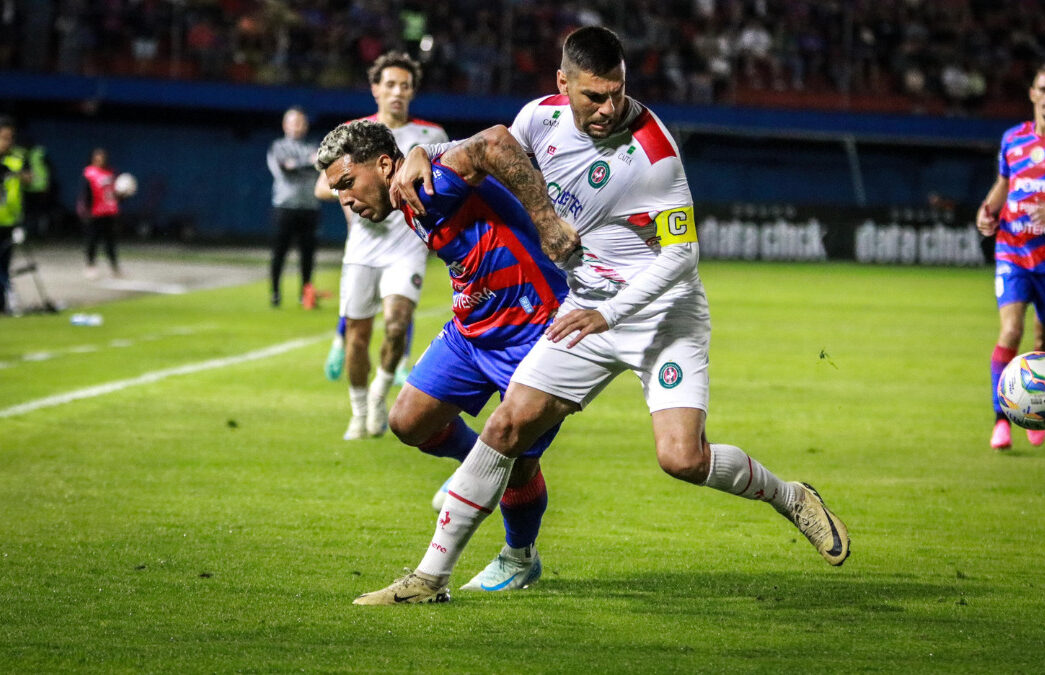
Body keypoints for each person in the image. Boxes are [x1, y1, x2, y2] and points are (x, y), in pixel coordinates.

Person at [355, 26, 850, 605]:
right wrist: (424, 151)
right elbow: (485, 151)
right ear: (562, 85)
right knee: (506, 427)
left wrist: (610, 314)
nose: (609, 107)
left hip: (662, 315)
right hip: (586, 310)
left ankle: (789, 497)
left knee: (682, 458)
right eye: (594, 95)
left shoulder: (654, 155)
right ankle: (428, 580)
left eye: (617, 92)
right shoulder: (540, 118)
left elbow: (683, 258)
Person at [315, 119, 577, 595]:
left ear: (382, 164)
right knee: (408, 421)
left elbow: (495, 141)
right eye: (337, 191)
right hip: (471, 331)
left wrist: (547, 222)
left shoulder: (427, 183)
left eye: (348, 183)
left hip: (533, 327)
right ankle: (480, 463)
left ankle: (520, 556)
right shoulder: (406, 196)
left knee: (517, 462)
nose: (346, 200)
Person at [313, 52, 448, 441]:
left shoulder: (431, 135)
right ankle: (358, 410)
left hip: (406, 245)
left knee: (396, 323)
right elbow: (324, 184)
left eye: (405, 86)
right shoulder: (354, 134)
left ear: (412, 91)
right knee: (357, 336)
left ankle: (378, 394)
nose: (397, 92)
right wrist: (347, 194)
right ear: (375, 89)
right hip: (363, 247)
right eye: (389, 84)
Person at [976, 62, 1045, 451]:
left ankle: (1042, 412)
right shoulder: (1013, 139)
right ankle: (1002, 420)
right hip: (1013, 249)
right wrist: (986, 211)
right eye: (1044, 90)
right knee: (1011, 331)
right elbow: (1005, 184)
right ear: (1032, 93)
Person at [267, 106, 321, 309]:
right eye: (294, 122)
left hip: (309, 206)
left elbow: (319, 165)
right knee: (279, 252)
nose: (298, 126)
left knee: (308, 254)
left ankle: (305, 295)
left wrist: (298, 165)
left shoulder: (313, 145)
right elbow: (284, 169)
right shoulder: (278, 146)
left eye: (301, 122)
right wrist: (307, 163)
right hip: (285, 206)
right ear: (285, 125)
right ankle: (275, 293)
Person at [78, 147, 125, 279]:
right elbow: (85, 193)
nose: (100, 159)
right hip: (95, 213)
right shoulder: (89, 173)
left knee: (110, 242)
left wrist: (123, 194)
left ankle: (114, 267)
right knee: (92, 240)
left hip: (110, 212)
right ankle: (90, 266)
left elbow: (114, 193)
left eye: (102, 157)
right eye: (97, 157)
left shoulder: (110, 173)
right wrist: (86, 211)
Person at [0, 116, 29, 315]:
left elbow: (30, 180)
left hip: (10, 220)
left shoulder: (18, 158)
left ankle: (3, 303)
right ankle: (10, 296)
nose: (6, 142)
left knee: (4, 263)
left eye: (10, 138)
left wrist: (16, 175)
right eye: (3, 137)